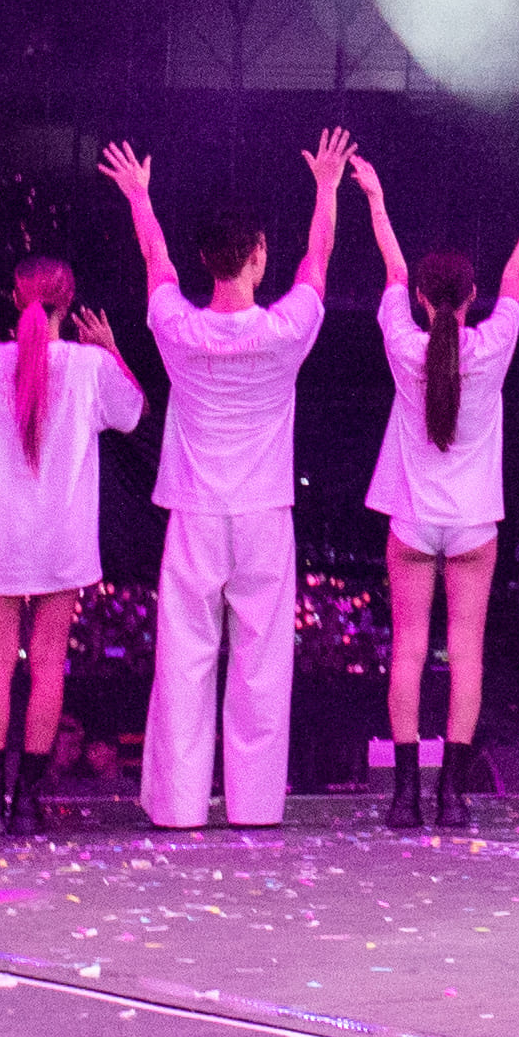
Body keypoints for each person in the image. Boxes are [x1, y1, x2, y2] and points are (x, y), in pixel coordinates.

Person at [107, 129, 349, 830]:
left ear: (207, 261)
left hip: (194, 511)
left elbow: (154, 258)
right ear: (257, 255)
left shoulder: (176, 325)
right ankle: (254, 805)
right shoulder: (283, 330)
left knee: (185, 659)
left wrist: (140, 196)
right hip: (264, 513)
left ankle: (180, 806)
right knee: (260, 665)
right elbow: (319, 259)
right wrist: (327, 188)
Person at [358, 150, 519, 829]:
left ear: (420, 301)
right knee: (465, 654)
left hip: (411, 523)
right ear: (471, 299)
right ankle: (454, 795)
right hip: (473, 527)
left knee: (409, 651)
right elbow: (515, 272)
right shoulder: (495, 342)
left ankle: (405, 794)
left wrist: (377, 198)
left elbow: (395, 269)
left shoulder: (402, 344)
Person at [0, 258, 142, 837]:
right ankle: (26, 802)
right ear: (68, 304)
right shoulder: (89, 365)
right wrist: (113, 346)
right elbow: (132, 414)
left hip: (0, 535)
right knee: (48, 666)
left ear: (13, 297)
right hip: (61, 538)